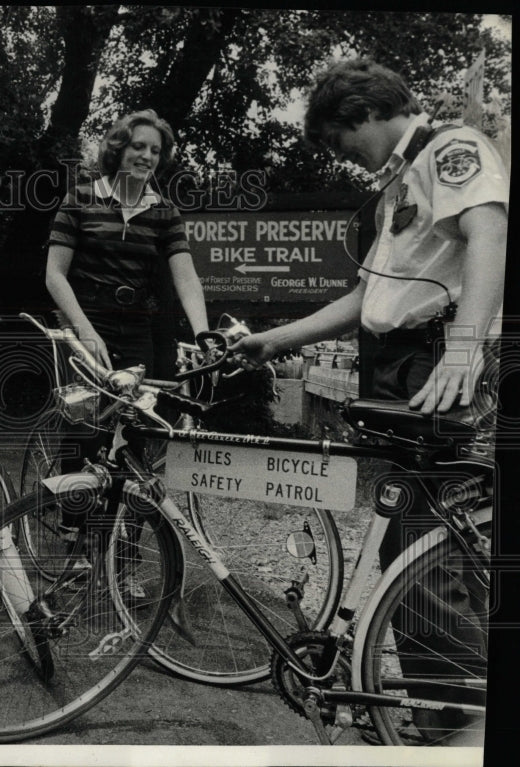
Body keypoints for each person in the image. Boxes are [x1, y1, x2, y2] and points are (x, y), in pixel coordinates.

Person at [231, 58, 507, 743]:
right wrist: (273, 339)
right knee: (411, 546)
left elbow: (489, 233)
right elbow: (367, 300)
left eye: (337, 138)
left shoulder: (451, 149)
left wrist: (465, 346)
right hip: (395, 362)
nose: (340, 154)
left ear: (362, 114)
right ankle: (446, 707)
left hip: (430, 358)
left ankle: (456, 728)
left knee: (420, 545)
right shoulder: (397, 185)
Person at [45, 108, 210, 595]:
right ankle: (76, 545)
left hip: (134, 329)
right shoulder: (80, 199)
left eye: (156, 151)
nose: (147, 156)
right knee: (83, 435)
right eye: (139, 146)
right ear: (118, 149)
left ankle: (124, 559)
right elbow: (55, 274)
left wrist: (203, 335)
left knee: (136, 442)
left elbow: (186, 277)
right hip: (82, 325)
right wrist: (84, 329)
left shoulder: (164, 212)